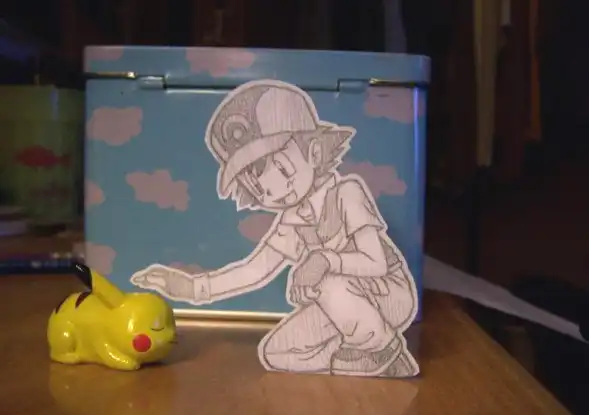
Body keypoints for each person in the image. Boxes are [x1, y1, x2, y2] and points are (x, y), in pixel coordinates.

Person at [131, 80, 419, 377]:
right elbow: (254, 270)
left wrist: (323, 260)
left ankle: (380, 347)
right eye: (260, 189)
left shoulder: (347, 193)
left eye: (283, 169)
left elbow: (376, 262)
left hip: (388, 294)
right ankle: (365, 352)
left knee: (326, 281)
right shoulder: (292, 223)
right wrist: (192, 288)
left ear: (315, 152)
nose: (276, 189)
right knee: (278, 352)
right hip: (342, 303)